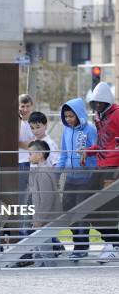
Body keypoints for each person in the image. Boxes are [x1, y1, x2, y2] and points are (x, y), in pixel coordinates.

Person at [82, 82, 119, 263]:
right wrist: (88, 151)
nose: (97, 106)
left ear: (107, 101)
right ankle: (113, 242)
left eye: (99, 102)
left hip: (113, 169)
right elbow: (103, 143)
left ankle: (113, 245)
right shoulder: (98, 117)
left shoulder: (118, 114)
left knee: (108, 209)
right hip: (99, 167)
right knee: (87, 208)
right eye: (94, 103)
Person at [57, 98, 97, 261]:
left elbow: (97, 151)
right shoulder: (66, 131)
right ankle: (77, 243)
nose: (68, 119)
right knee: (68, 211)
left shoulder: (91, 130)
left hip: (86, 178)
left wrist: (95, 174)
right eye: (66, 116)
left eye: (71, 116)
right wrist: (56, 175)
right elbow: (63, 155)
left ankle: (81, 246)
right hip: (70, 178)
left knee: (82, 214)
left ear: (79, 114)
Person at [28, 140, 63, 267]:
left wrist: (39, 220)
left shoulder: (43, 172)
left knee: (44, 251)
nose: (29, 156)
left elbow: (47, 199)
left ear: (40, 154)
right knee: (38, 251)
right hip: (42, 219)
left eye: (31, 153)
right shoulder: (42, 171)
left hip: (45, 220)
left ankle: (50, 275)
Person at [17, 94, 36, 236]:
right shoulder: (18, 121)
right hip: (20, 163)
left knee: (32, 200)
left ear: (32, 106)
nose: (25, 109)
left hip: (33, 164)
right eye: (22, 106)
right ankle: (22, 233)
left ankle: (29, 233)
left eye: (27, 106)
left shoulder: (35, 121)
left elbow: (39, 143)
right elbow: (15, 141)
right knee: (22, 200)